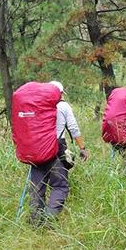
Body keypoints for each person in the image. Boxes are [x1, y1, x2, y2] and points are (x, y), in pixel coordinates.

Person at [28, 81, 88, 227]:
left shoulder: (37, 105)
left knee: (36, 186)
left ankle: (36, 220)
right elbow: (73, 128)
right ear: (60, 93)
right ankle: (49, 218)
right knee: (60, 185)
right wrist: (82, 147)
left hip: (37, 147)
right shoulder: (63, 106)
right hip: (56, 148)